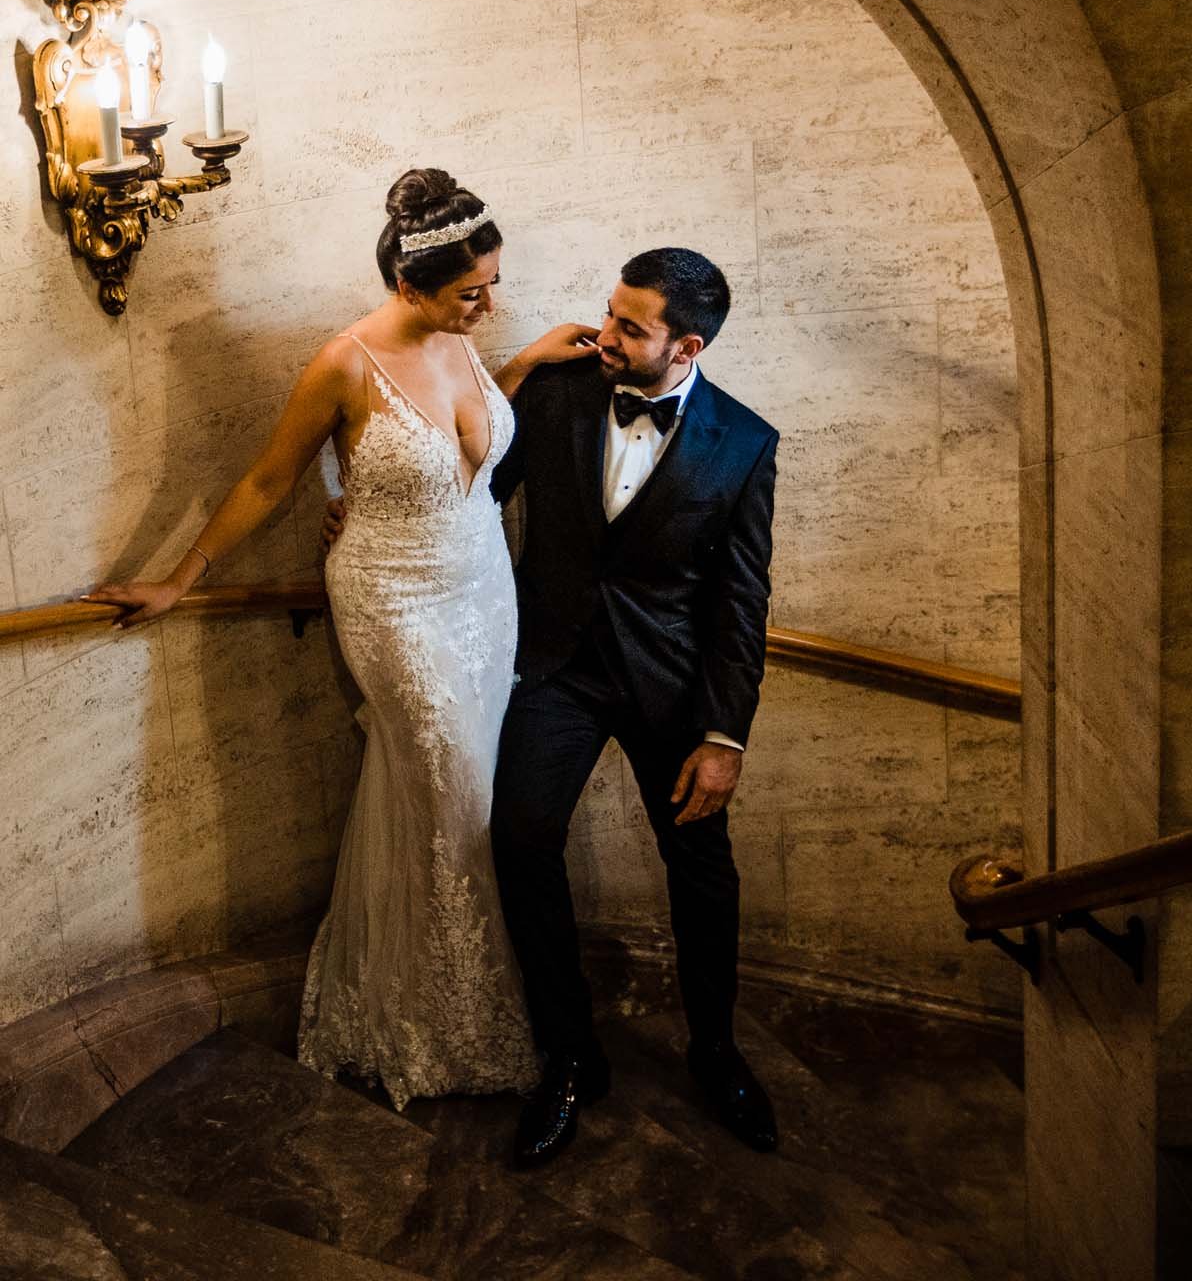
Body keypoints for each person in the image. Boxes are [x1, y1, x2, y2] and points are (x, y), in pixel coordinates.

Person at [85, 168, 598, 1112]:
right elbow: (267, 481)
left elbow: (469, 439)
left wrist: (522, 364)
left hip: (484, 589)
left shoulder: (462, 341)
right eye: (470, 292)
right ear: (409, 286)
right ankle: (442, 1021)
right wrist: (179, 578)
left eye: (493, 284)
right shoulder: (344, 364)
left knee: (469, 789)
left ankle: (437, 987)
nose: (487, 306)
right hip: (392, 598)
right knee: (451, 781)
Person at [487, 247, 781, 1168]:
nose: (604, 334)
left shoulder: (746, 442)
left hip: (671, 688)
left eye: (629, 326)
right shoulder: (557, 392)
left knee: (703, 870)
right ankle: (570, 1054)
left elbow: (740, 602)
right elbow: (472, 491)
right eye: (609, 311)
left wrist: (724, 737)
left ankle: (716, 1052)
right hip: (556, 669)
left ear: (687, 346)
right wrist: (377, 517)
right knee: (520, 838)